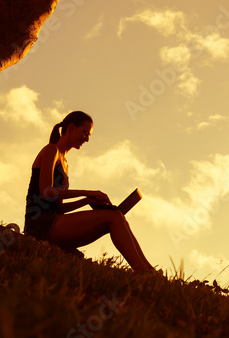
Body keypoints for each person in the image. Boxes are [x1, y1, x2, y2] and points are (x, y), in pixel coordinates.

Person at [24, 110, 155, 273]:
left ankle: (150, 271)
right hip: (39, 224)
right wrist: (87, 192)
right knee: (113, 217)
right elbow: (46, 192)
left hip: (53, 221)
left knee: (118, 217)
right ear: (71, 128)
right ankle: (143, 271)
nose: (86, 139)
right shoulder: (51, 150)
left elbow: (57, 208)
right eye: (85, 133)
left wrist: (86, 201)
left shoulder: (65, 164)